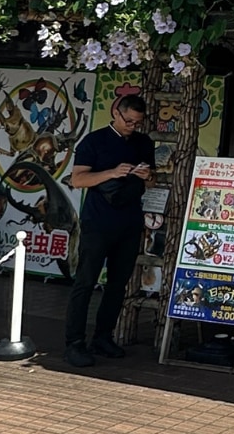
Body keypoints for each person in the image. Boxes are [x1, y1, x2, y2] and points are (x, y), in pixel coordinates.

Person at [63, 95, 155, 368]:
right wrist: (112, 172)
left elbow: (153, 181)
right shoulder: (94, 141)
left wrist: (146, 175)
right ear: (116, 112)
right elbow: (77, 179)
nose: (132, 126)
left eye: (137, 123)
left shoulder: (143, 143)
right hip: (98, 222)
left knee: (118, 284)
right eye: (128, 121)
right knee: (86, 281)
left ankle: (103, 337)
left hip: (129, 221)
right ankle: (74, 343)